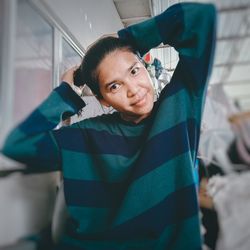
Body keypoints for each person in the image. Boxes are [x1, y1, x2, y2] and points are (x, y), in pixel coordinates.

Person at [1, 2, 217, 249]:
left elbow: (200, 17)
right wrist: (65, 94)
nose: (134, 90)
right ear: (103, 100)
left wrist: (125, 38)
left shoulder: (180, 107)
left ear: (146, 68)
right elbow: (18, 145)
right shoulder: (86, 135)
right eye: (115, 86)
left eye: (134, 71)